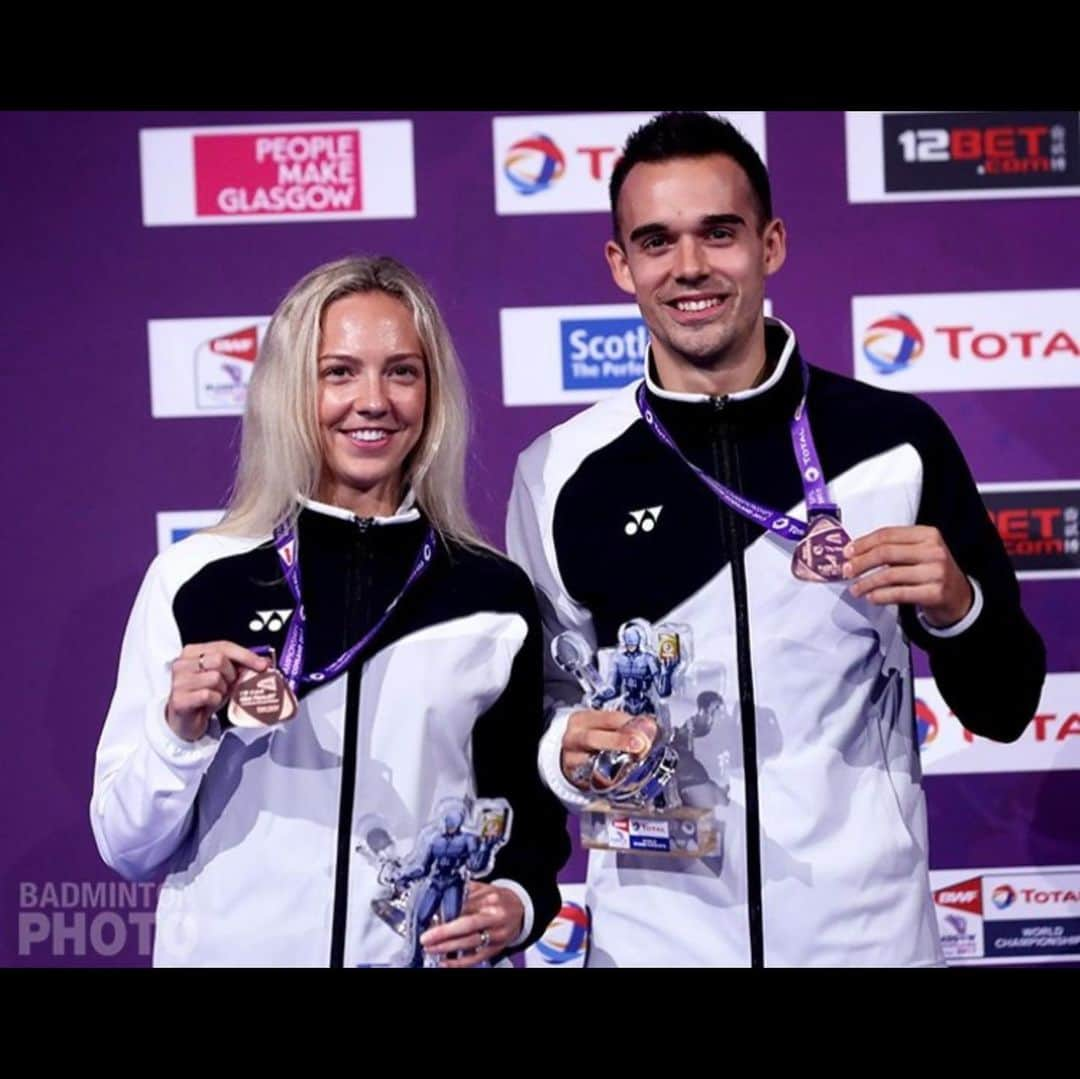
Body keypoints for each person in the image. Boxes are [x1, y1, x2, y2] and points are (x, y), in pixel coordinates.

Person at [507, 112, 1045, 967]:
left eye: (719, 233)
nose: (690, 267)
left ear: (772, 243)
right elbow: (535, 711)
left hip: (866, 940)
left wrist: (959, 607)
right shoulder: (559, 471)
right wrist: (559, 747)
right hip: (656, 946)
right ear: (621, 265)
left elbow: (1009, 705)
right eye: (656, 241)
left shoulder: (894, 441)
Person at [92, 255, 569, 967]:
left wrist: (521, 901)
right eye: (339, 372)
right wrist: (177, 734)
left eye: (401, 371)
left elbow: (526, 823)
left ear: (432, 393)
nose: (372, 400)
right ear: (292, 389)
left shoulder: (492, 594)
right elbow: (127, 846)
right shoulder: (195, 579)